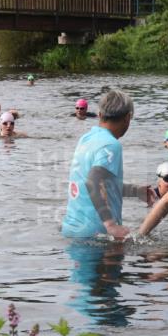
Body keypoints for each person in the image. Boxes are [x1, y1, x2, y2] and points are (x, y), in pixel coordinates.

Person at [62, 89, 156, 239]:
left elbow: (98, 184)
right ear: (127, 118)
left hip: (71, 230)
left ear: (100, 115)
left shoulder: (85, 139)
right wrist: (111, 225)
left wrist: (135, 191)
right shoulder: (111, 145)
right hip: (94, 235)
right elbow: (93, 180)